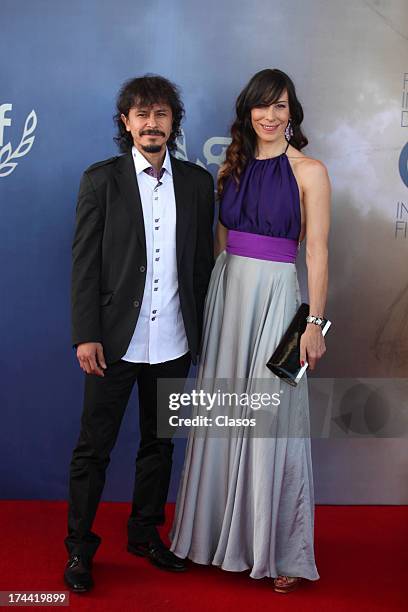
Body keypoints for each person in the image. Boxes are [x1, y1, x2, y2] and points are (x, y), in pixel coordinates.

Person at [170, 68, 331, 594]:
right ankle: (214, 537)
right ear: (248, 112)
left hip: (280, 300)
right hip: (230, 295)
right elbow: (222, 244)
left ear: (293, 113)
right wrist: (217, 304)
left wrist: (313, 324)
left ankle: (280, 549)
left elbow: (317, 253)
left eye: (280, 106)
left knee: (273, 419)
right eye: (262, 106)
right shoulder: (230, 166)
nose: (270, 115)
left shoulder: (310, 171)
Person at [64, 74, 215, 593]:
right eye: (141, 115)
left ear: (173, 123)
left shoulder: (197, 183)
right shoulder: (100, 180)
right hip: (112, 341)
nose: (152, 124)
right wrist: (87, 334)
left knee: (159, 445)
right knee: (94, 448)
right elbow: (84, 265)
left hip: (174, 340)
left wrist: (201, 335)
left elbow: (202, 266)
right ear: (125, 123)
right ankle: (80, 550)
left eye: (162, 115)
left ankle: (145, 534)